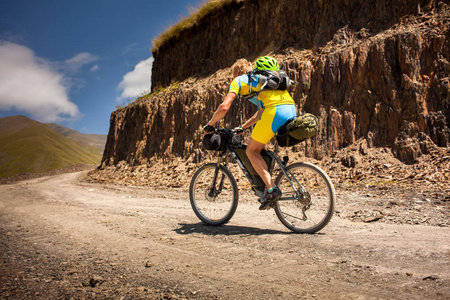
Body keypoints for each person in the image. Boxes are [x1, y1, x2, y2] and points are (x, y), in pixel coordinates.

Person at [204, 56, 297, 210]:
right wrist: (243, 127)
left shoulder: (240, 80)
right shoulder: (261, 85)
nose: (233, 78)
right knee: (259, 148)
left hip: (275, 113)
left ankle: (272, 189)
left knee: (251, 151)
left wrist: (210, 125)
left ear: (237, 72)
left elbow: (224, 107)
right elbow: (260, 113)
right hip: (291, 109)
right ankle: (267, 187)